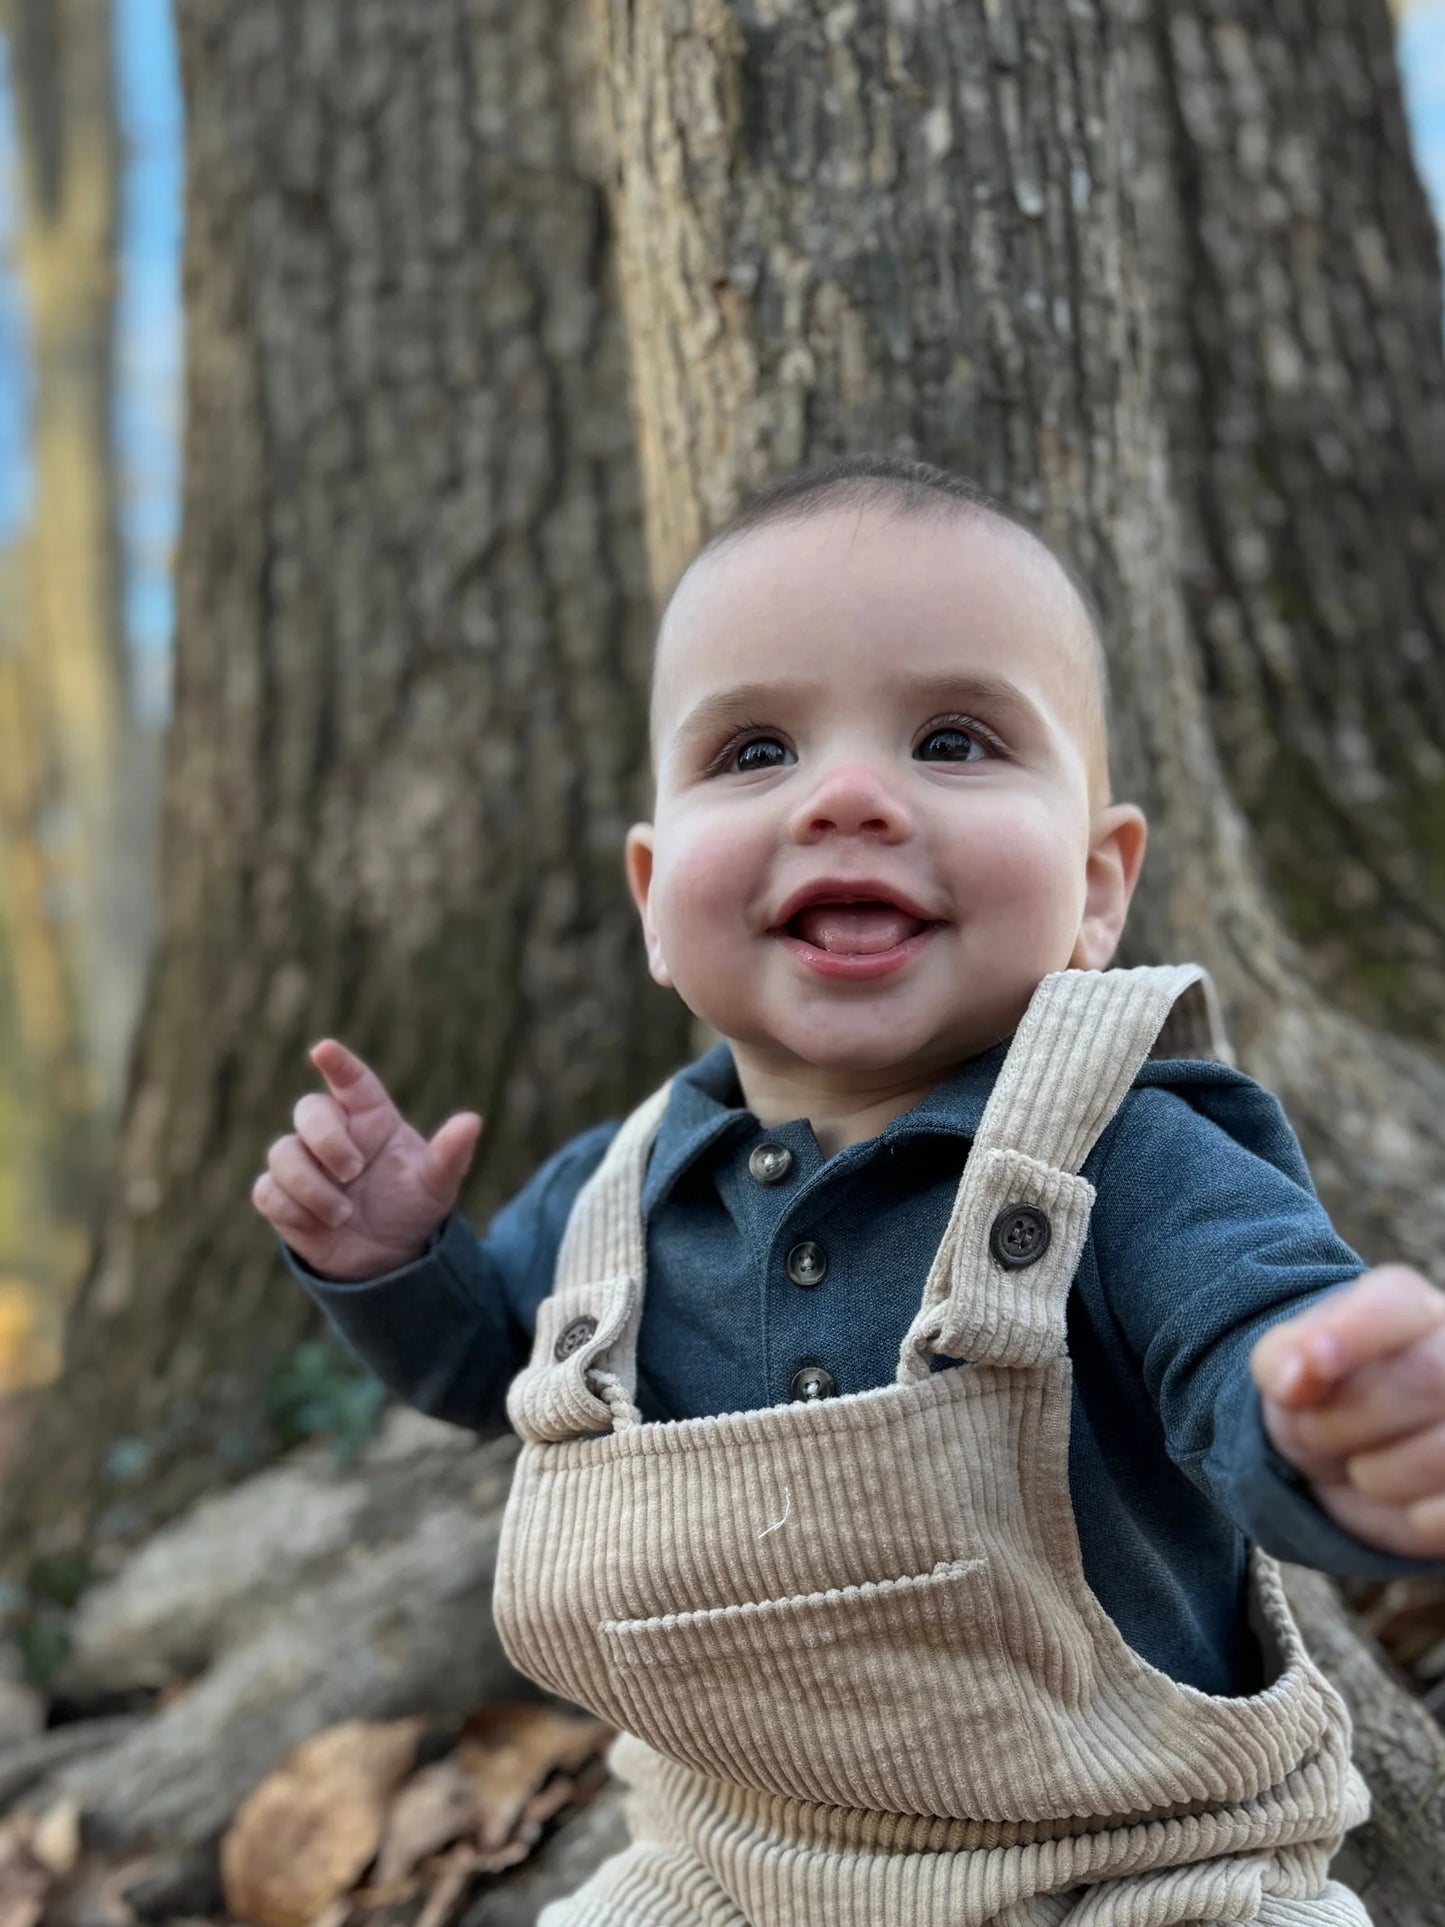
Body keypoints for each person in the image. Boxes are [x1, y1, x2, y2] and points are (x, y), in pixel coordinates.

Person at [254, 457, 1445, 1925]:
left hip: (1124, 1871)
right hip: (726, 1867)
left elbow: (1251, 1346)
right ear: (650, 898)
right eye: (754, 753)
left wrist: (1338, 1428)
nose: (849, 797)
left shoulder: (1127, 1151)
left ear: (1094, 887)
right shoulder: (622, 1188)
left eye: (951, 738)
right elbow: (486, 1361)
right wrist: (391, 1262)